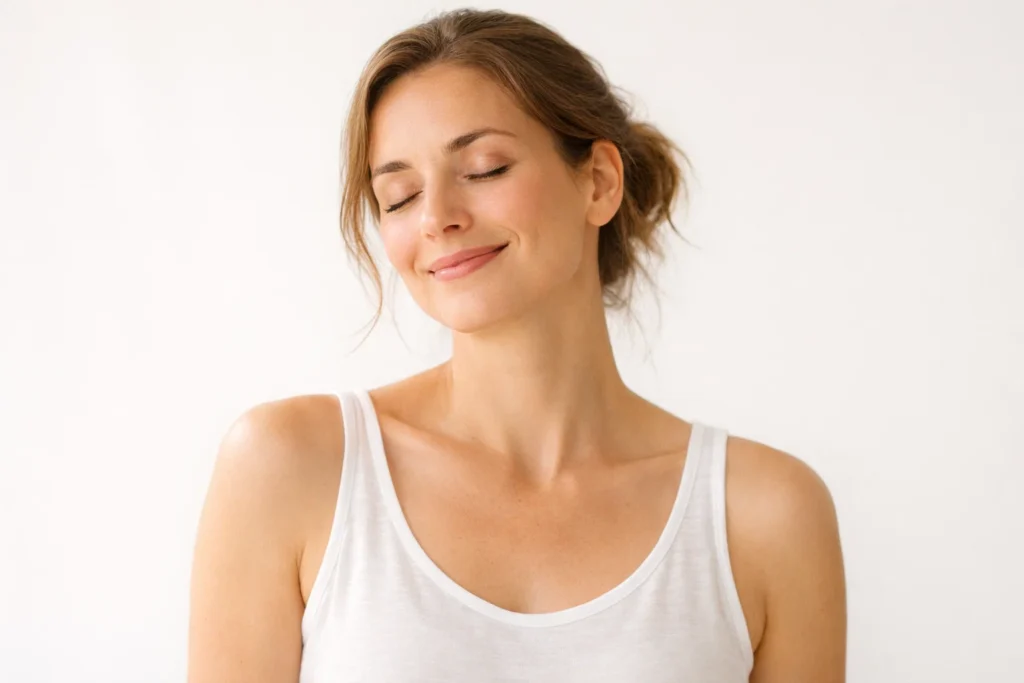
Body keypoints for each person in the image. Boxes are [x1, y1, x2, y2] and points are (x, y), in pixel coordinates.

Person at [187, 8, 846, 682]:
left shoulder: (766, 514)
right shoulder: (290, 466)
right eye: (400, 194)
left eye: (484, 168)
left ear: (598, 182)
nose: (439, 216)